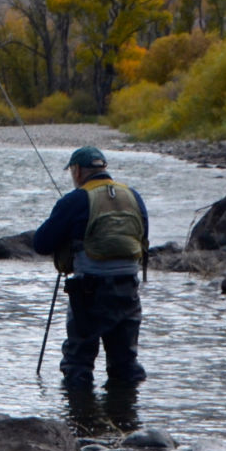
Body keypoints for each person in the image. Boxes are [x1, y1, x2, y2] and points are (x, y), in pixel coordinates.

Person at [31, 146, 149, 386]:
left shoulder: (75, 199)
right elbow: (143, 236)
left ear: (77, 171)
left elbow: (41, 244)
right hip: (129, 289)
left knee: (78, 364)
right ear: (103, 168)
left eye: (72, 171)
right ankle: (126, 418)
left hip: (89, 291)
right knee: (125, 364)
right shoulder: (133, 196)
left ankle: (79, 419)